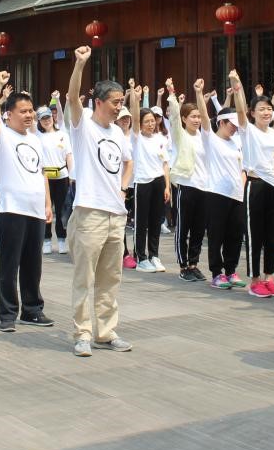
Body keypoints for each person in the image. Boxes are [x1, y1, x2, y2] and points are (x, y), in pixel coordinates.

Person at [65, 46, 133, 357]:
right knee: (85, 277)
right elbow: (71, 97)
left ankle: (105, 332)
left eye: (122, 102)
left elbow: (128, 162)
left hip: (115, 214)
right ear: (99, 102)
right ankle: (82, 333)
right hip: (89, 212)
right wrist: (80, 64)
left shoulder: (118, 133)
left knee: (110, 278)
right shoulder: (83, 127)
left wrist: (123, 189)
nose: (120, 107)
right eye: (116, 102)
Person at [0, 71, 53, 333]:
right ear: (9, 114)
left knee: (33, 265)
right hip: (11, 209)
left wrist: (47, 204)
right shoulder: (1, 136)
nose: (29, 115)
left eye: (30, 111)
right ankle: (7, 314)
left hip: (35, 210)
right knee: (9, 264)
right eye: (23, 111)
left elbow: (42, 173)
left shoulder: (35, 140)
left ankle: (32, 310)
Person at [230, 68, 274, 298]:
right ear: (252, 113)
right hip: (255, 185)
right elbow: (240, 110)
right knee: (255, 235)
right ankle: (254, 280)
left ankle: (269, 277)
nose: (266, 112)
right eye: (261, 109)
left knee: (272, 235)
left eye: (269, 108)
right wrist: (237, 85)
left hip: (273, 187)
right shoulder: (248, 130)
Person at [193, 80, 246, 289]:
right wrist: (199, 94)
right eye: (231, 124)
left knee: (235, 235)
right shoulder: (211, 140)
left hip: (237, 194)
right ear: (222, 122)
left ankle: (231, 271)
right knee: (217, 235)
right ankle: (217, 273)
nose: (235, 128)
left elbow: (242, 168)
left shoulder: (237, 142)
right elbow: (205, 118)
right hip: (216, 193)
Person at [166, 78, 209, 282]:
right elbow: (173, 117)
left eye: (199, 116)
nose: (197, 120)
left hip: (204, 187)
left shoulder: (204, 137)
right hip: (186, 186)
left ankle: (194, 264)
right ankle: (183, 266)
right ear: (184, 119)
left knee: (199, 230)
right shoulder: (180, 135)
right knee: (183, 228)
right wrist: (172, 94)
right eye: (193, 116)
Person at [127, 84, 169, 274]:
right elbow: (135, 118)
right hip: (143, 183)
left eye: (153, 121)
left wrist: (167, 186)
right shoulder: (136, 137)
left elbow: (165, 164)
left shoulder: (161, 138)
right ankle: (141, 257)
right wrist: (136, 98)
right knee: (141, 222)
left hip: (159, 182)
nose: (151, 124)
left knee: (155, 221)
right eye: (147, 121)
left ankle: (154, 255)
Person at [37, 98, 72, 255]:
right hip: (45, 177)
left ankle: (62, 239)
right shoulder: (37, 136)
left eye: (48, 117)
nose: (47, 121)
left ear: (53, 117)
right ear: (39, 121)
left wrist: (72, 175)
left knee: (62, 208)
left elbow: (69, 156)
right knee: (46, 208)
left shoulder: (62, 135)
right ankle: (46, 240)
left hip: (62, 175)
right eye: (43, 119)